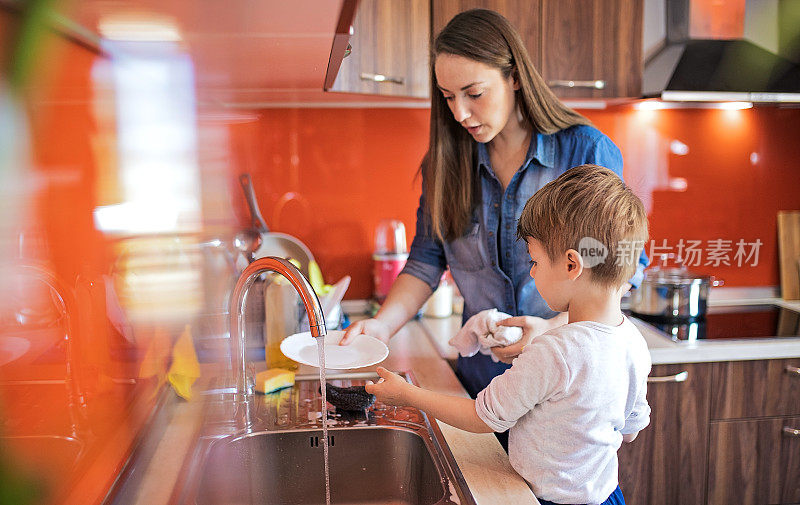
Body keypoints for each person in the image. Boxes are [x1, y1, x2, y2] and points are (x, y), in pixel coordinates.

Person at [341, 9, 646, 399]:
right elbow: (425, 261)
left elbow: (620, 266)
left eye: (474, 93)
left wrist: (552, 329)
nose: (460, 113)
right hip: (480, 384)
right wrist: (382, 325)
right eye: (448, 97)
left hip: (567, 384)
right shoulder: (446, 165)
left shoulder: (585, 151)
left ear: (514, 77)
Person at [365, 164, 652, 505]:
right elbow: (631, 430)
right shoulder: (633, 341)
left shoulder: (552, 352)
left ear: (571, 265)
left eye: (535, 262)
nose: (532, 273)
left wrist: (408, 395)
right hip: (607, 495)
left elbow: (481, 418)